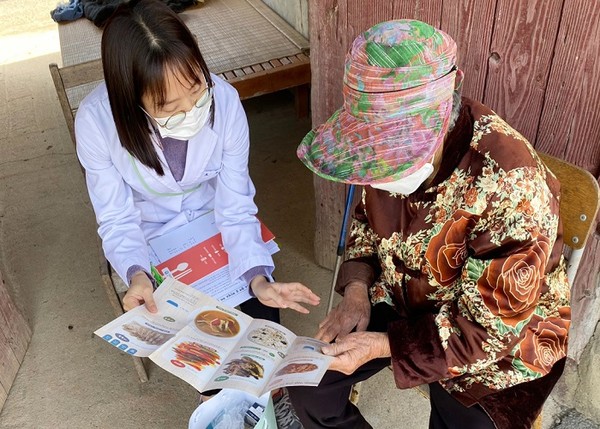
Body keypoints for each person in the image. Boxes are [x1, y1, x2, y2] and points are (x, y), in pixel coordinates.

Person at [289, 20, 570, 429]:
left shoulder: (512, 183)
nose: (380, 177)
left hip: (499, 337)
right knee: (308, 384)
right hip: (404, 292)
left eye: (396, 157)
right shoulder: (373, 151)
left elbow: (488, 331)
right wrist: (356, 291)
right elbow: (366, 221)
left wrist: (384, 345)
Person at [75, 0, 320, 322]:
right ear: (130, 100)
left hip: (211, 218)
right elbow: (117, 219)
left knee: (261, 317)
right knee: (195, 334)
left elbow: (235, 202)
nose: (192, 110)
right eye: (168, 106)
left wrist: (257, 278)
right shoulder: (96, 123)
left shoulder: (225, 100)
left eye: (196, 89)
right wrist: (137, 274)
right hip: (151, 234)